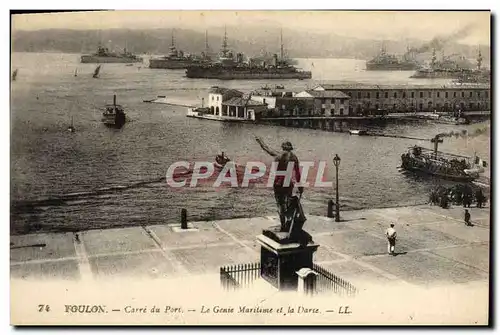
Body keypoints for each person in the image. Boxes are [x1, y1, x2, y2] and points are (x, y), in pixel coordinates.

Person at [255, 137, 303, 232]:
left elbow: (267, 149)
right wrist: (300, 186)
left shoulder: (278, 155)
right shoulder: (294, 158)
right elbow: (297, 173)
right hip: (288, 184)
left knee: (280, 205)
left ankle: (283, 225)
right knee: (288, 203)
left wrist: (260, 141)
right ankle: (288, 223)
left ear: (283, 148)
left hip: (278, 183)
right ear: (291, 148)